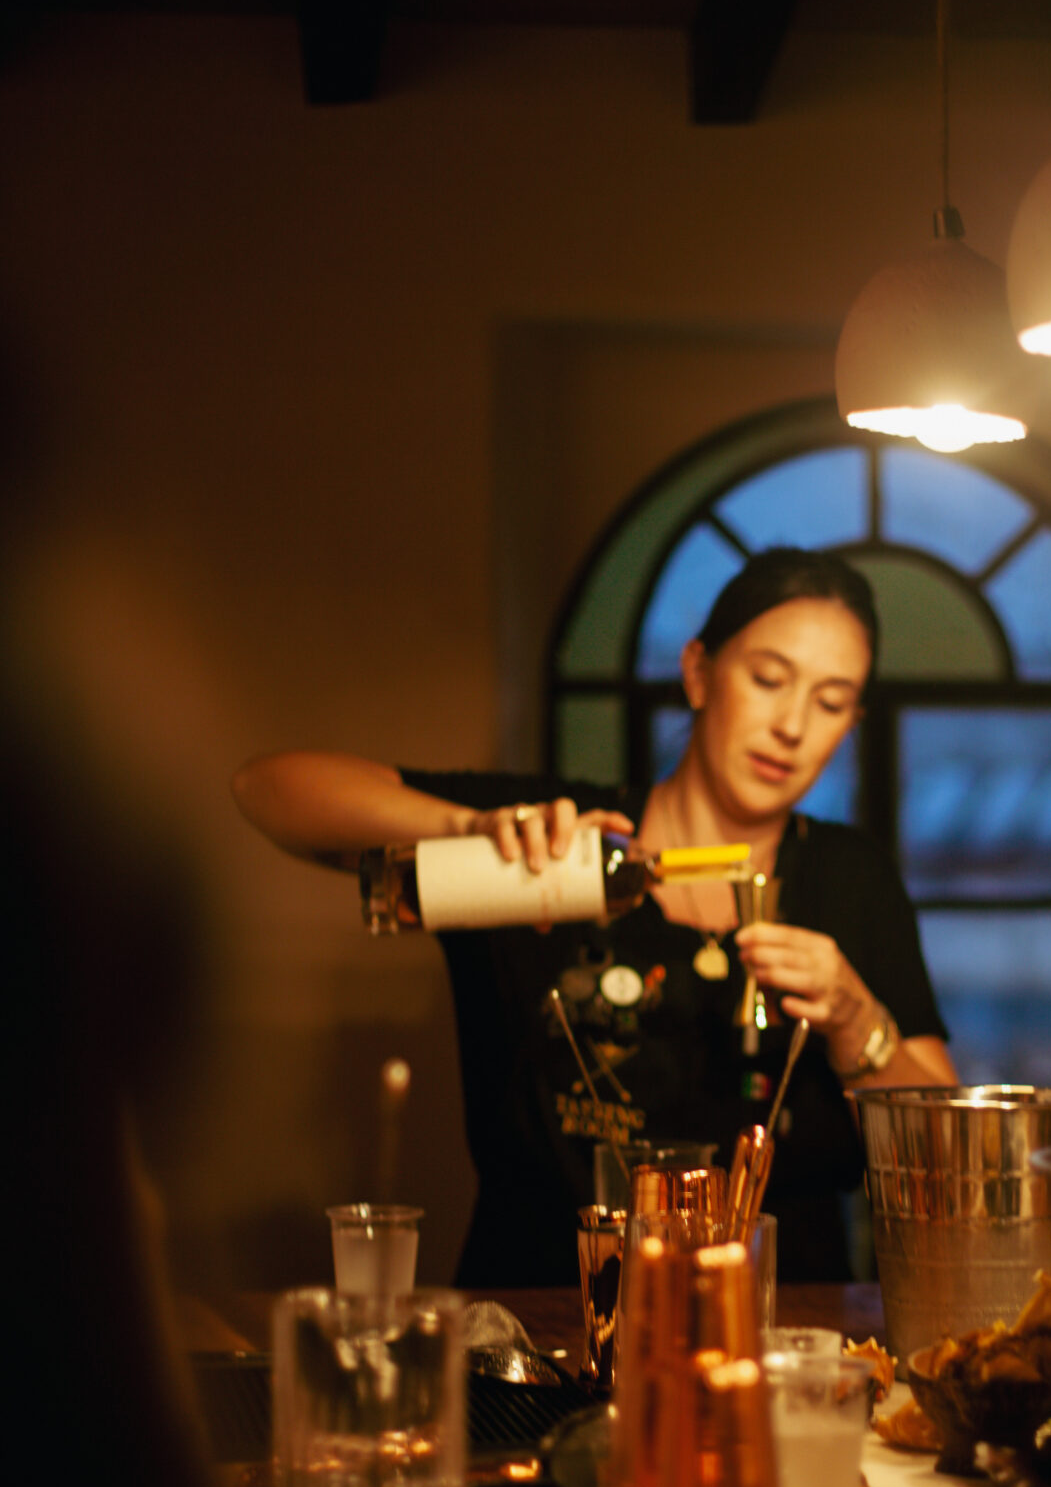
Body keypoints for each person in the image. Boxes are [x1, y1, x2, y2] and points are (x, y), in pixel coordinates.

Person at [233, 548, 956, 1284]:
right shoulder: (554, 841)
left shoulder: (850, 876)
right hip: (538, 1329)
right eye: (768, 679)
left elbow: (941, 1154)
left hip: (783, 1325)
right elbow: (268, 791)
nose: (792, 725)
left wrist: (853, 1016)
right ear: (699, 672)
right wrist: (471, 833)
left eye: (831, 702)